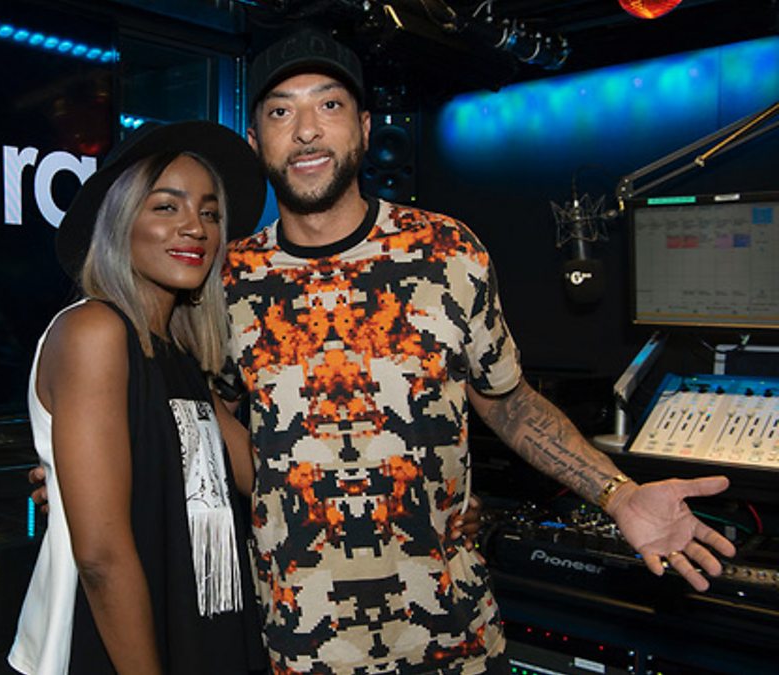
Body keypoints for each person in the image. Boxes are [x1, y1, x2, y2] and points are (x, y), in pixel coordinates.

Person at [221, 25, 737, 674]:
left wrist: (617, 495)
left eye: (329, 104)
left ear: (364, 127)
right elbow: (209, 419)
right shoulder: (228, 281)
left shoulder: (446, 251)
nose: (305, 131)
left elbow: (508, 403)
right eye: (280, 112)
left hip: (451, 637)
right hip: (300, 645)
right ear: (254, 139)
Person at [7, 121, 270, 675]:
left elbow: (261, 479)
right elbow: (101, 558)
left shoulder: (180, 357)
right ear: (121, 221)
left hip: (201, 632)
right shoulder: (95, 331)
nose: (195, 227)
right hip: (117, 648)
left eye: (210, 213)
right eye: (166, 207)